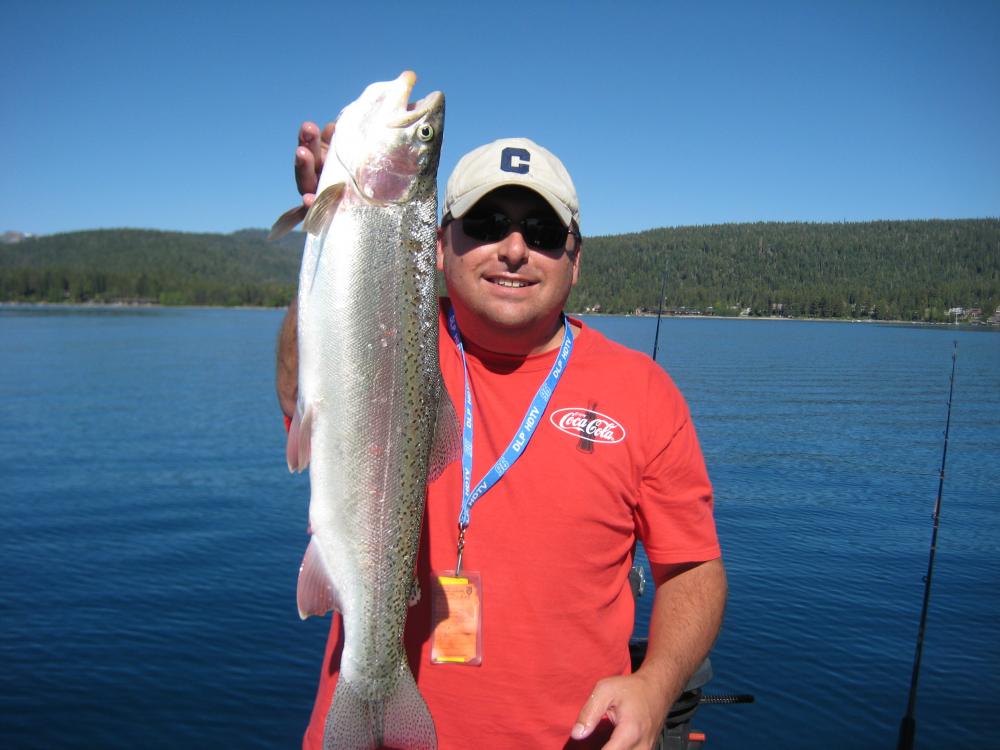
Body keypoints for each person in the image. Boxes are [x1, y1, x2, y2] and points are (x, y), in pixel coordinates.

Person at [277, 120, 727, 750]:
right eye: (486, 226)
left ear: (575, 258)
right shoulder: (387, 339)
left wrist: (656, 685)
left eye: (542, 233)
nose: (513, 249)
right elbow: (301, 383)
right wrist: (332, 235)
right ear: (437, 245)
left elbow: (694, 570)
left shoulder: (645, 393)